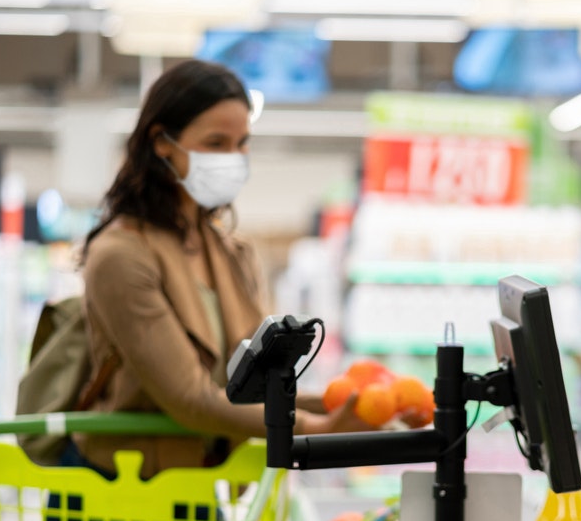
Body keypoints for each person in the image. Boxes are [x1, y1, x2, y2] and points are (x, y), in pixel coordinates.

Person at [69, 59, 371, 479]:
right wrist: (311, 427)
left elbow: (255, 385)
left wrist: (354, 404)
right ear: (162, 142)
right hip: (122, 495)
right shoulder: (121, 255)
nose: (234, 158)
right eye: (215, 143)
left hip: (202, 487)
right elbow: (190, 398)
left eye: (241, 142)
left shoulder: (230, 252)